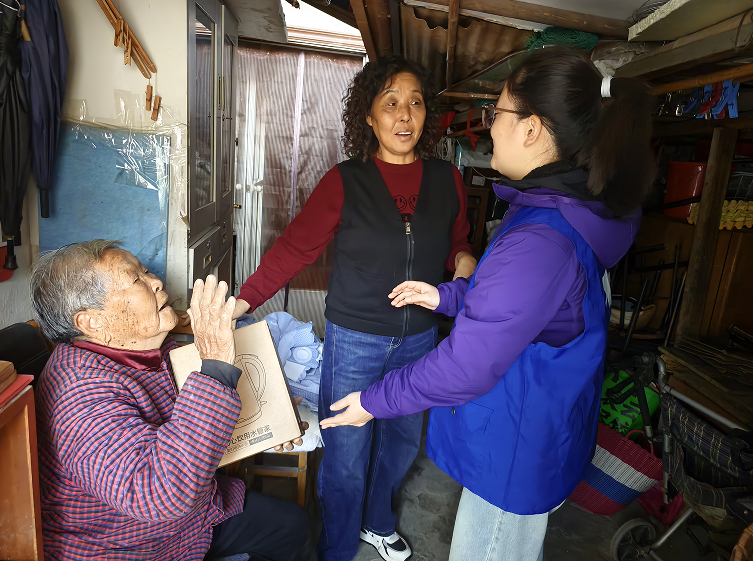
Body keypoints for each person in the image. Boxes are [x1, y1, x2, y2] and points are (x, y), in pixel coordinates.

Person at [320, 46, 656, 561]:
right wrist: (447, 294)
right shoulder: (554, 210)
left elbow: (466, 364)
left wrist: (373, 402)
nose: (489, 127)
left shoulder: (539, 237)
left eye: (495, 112)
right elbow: (521, 307)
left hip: (514, 447)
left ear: (531, 129)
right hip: (525, 425)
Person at [230, 55, 476, 561]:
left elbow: (458, 242)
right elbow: (294, 249)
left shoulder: (447, 179)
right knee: (346, 453)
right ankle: (338, 549)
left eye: (415, 103)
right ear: (368, 115)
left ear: (426, 115)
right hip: (355, 341)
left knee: (401, 443)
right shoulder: (346, 180)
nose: (404, 115)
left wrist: (465, 265)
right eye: (390, 103)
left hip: (419, 339)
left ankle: (377, 522)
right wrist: (242, 301)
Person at [31, 240, 313, 561]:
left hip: (191, 518)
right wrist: (215, 362)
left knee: (293, 526)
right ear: (92, 322)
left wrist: (268, 423)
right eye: (136, 279)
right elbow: (160, 494)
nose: (156, 282)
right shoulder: (79, 395)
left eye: (145, 271)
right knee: (289, 529)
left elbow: (188, 425)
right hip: (132, 545)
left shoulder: (148, 350)